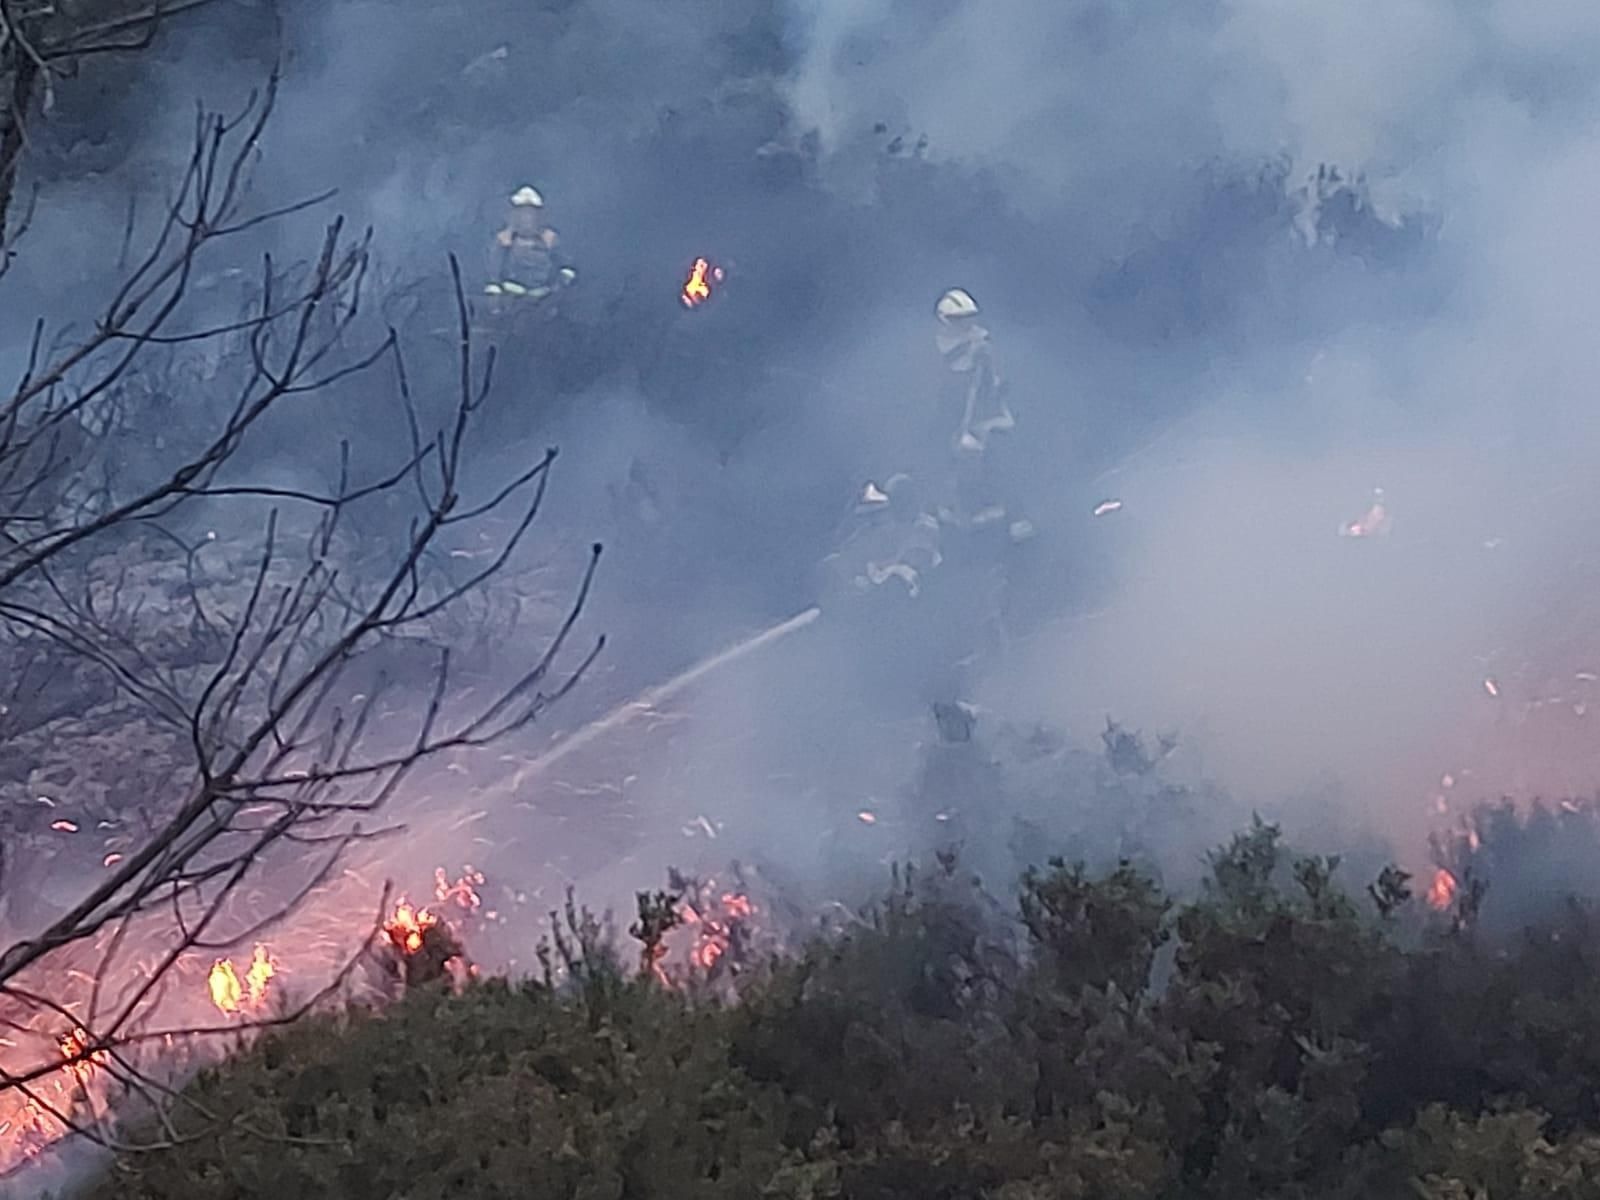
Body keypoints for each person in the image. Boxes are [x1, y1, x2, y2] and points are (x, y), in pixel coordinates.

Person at [933, 288, 1032, 544]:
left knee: (998, 461)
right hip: (952, 423)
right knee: (953, 469)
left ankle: (1016, 518)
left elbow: (994, 384)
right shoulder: (939, 349)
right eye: (960, 319)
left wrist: (988, 370)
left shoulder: (983, 345)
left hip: (988, 418)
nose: (967, 324)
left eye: (970, 318)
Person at [484, 186, 576, 308]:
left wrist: (557, 287)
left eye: (531, 213)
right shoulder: (504, 240)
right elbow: (493, 273)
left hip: (544, 297)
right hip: (512, 297)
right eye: (522, 213)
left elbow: (566, 267)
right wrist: (496, 297)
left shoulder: (550, 239)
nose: (526, 218)